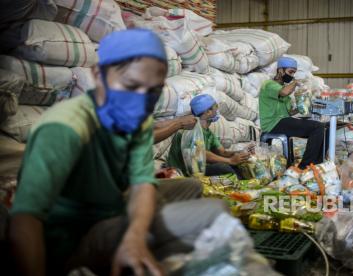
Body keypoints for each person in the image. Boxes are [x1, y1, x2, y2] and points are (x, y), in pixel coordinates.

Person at [8, 29, 229, 276]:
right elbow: (25, 219)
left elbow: (142, 184)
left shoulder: (138, 118)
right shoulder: (64, 128)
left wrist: (135, 237)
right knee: (198, 217)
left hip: (112, 207)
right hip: (73, 238)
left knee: (191, 189)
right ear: (98, 76)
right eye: (129, 86)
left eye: (153, 91)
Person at [259, 56, 328, 170]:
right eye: (290, 72)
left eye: (294, 73)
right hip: (273, 123)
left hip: (283, 121)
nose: (291, 76)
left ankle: (316, 164)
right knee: (317, 127)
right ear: (280, 70)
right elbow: (284, 92)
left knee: (322, 127)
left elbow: (289, 112)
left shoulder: (282, 88)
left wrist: (302, 106)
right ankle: (304, 167)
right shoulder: (269, 85)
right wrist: (296, 82)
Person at [167, 94, 252, 178]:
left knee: (239, 167)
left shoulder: (208, 132)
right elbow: (201, 154)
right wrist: (230, 161)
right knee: (224, 168)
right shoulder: (190, 130)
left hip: (199, 168)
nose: (217, 109)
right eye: (216, 106)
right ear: (208, 112)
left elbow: (222, 152)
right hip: (184, 172)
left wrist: (240, 153)